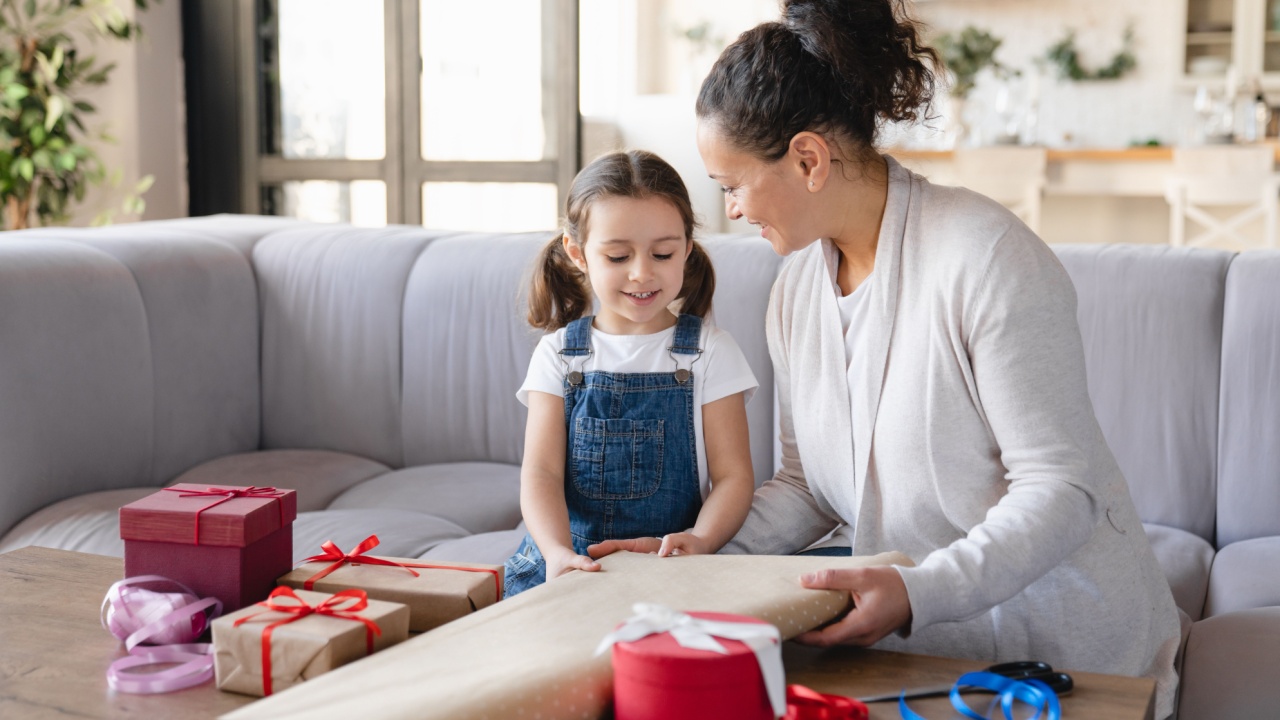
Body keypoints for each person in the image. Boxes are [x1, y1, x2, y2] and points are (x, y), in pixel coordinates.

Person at [591, 1, 1182, 716]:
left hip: (1061, 642)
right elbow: (809, 484)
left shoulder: (986, 258)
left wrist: (916, 592)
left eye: (732, 186)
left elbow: (1061, 489)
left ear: (808, 159)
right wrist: (700, 549)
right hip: (918, 637)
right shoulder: (795, 292)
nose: (734, 212)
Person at [502, 150, 759, 597]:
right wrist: (558, 553)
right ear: (578, 254)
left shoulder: (709, 353)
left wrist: (701, 541)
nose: (642, 273)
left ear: (687, 249)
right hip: (567, 569)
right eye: (618, 256)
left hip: (668, 570)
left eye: (662, 253)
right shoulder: (559, 355)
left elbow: (734, 477)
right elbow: (540, 473)